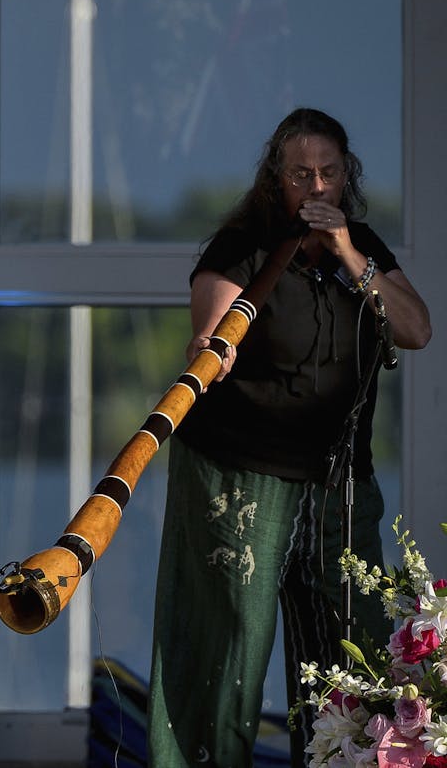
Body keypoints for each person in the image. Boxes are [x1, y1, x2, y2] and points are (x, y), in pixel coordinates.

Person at [146, 108, 432, 767]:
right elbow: (216, 335)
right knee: (231, 645)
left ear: (345, 179)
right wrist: (210, 349)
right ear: (279, 180)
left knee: (352, 649)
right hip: (239, 474)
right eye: (302, 173)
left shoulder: (362, 247)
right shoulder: (241, 244)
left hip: (339, 484)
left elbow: (416, 329)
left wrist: (351, 258)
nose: (316, 186)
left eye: (329, 172)